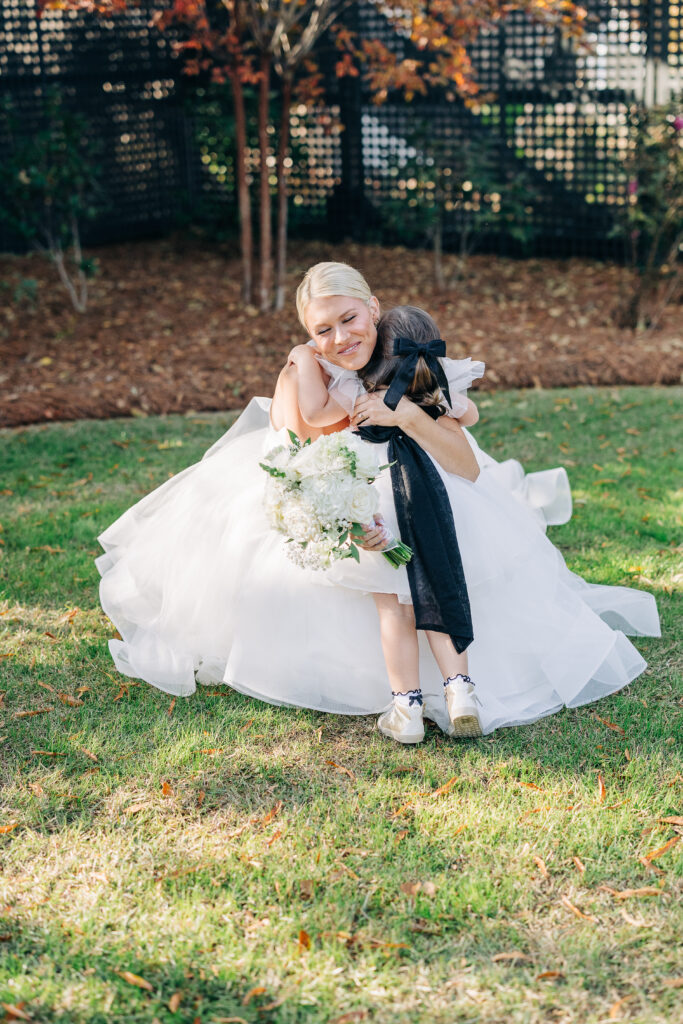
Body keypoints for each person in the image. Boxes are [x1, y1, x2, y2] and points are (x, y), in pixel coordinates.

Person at [96, 262, 660, 737]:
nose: (341, 338)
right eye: (322, 331)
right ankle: (427, 691)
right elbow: (305, 431)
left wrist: (425, 408)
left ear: (373, 307)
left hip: (419, 474)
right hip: (342, 483)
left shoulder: (401, 352)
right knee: (395, 590)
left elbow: (463, 416)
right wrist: (303, 358)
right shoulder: (310, 371)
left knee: (428, 572)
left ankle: (434, 694)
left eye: (349, 319)